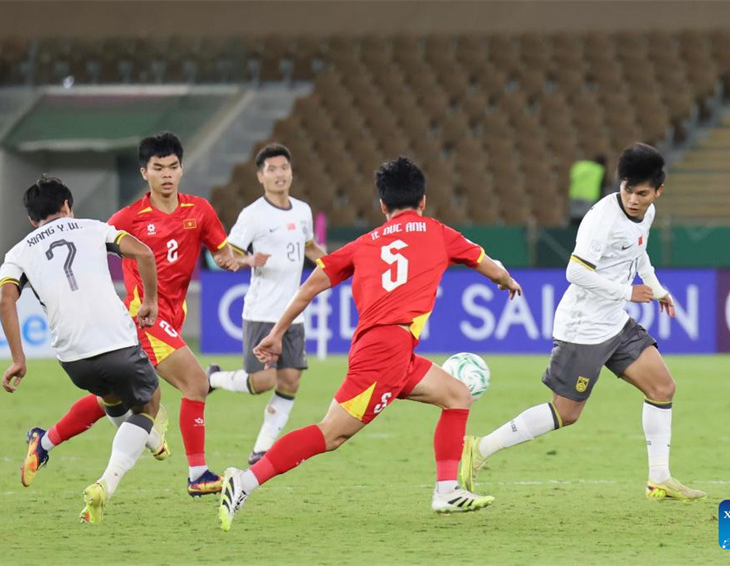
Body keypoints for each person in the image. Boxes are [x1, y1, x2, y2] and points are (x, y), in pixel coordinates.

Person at [217, 156, 523, 531]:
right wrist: (505, 280)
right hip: (385, 352)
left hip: (391, 348)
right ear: (423, 200)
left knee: (457, 395)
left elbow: (309, 287)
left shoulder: (363, 244)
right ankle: (245, 481)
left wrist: (277, 332)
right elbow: (485, 261)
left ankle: (446, 490)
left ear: (382, 206)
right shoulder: (439, 232)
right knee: (331, 434)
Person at [460, 143, 706, 502]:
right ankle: (479, 448)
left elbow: (639, 253)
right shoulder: (602, 219)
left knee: (662, 388)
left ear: (658, 192)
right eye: (627, 190)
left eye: (642, 193)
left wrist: (657, 289)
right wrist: (627, 292)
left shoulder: (646, 214)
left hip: (614, 322)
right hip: (583, 327)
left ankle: (659, 478)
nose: (633, 199)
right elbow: (574, 272)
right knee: (566, 413)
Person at [20, 133, 240, 498]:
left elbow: (221, 250)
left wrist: (230, 259)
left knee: (113, 400)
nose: (167, 174)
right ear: (144, 172)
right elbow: (86, 252)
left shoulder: (200, 210)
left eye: (173, 167)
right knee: (196, 383)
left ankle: (43, 442)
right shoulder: (127, 218)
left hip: (171, 319)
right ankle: (198, 474)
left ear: (181, 169)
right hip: (144, 319)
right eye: (158, 168)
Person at [0, 176, 168, 523]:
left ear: (31, 219)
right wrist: (150, 301)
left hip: (73, 358)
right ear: (67, 206)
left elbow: (5, 299)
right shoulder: (93, 228)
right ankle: (106, 484)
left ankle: (149, 441)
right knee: (150, 402)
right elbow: (144, 252)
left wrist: (18, 358)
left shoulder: (18, 252)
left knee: (110, 397)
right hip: (116, 341)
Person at [207, 143, 325, 465]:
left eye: (284, 168)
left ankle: (261, 448)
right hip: (261, 311)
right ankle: (213, 379)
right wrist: (248, 260)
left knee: (291, 380)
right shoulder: (253, 215)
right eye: (271, 169)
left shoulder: (302, 210)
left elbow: (310, 246)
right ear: (260, 176)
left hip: (293, 312)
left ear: (291, 172)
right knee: (262, 382)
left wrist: (334, 264)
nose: (279, 174)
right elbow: (222, 256)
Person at [568, 154, 607, 226]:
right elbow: (602, 187)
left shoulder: (579, 167)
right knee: (587, 223)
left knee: (574, 220)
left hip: (575, 196)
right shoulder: (599, 170)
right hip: (590, 199)